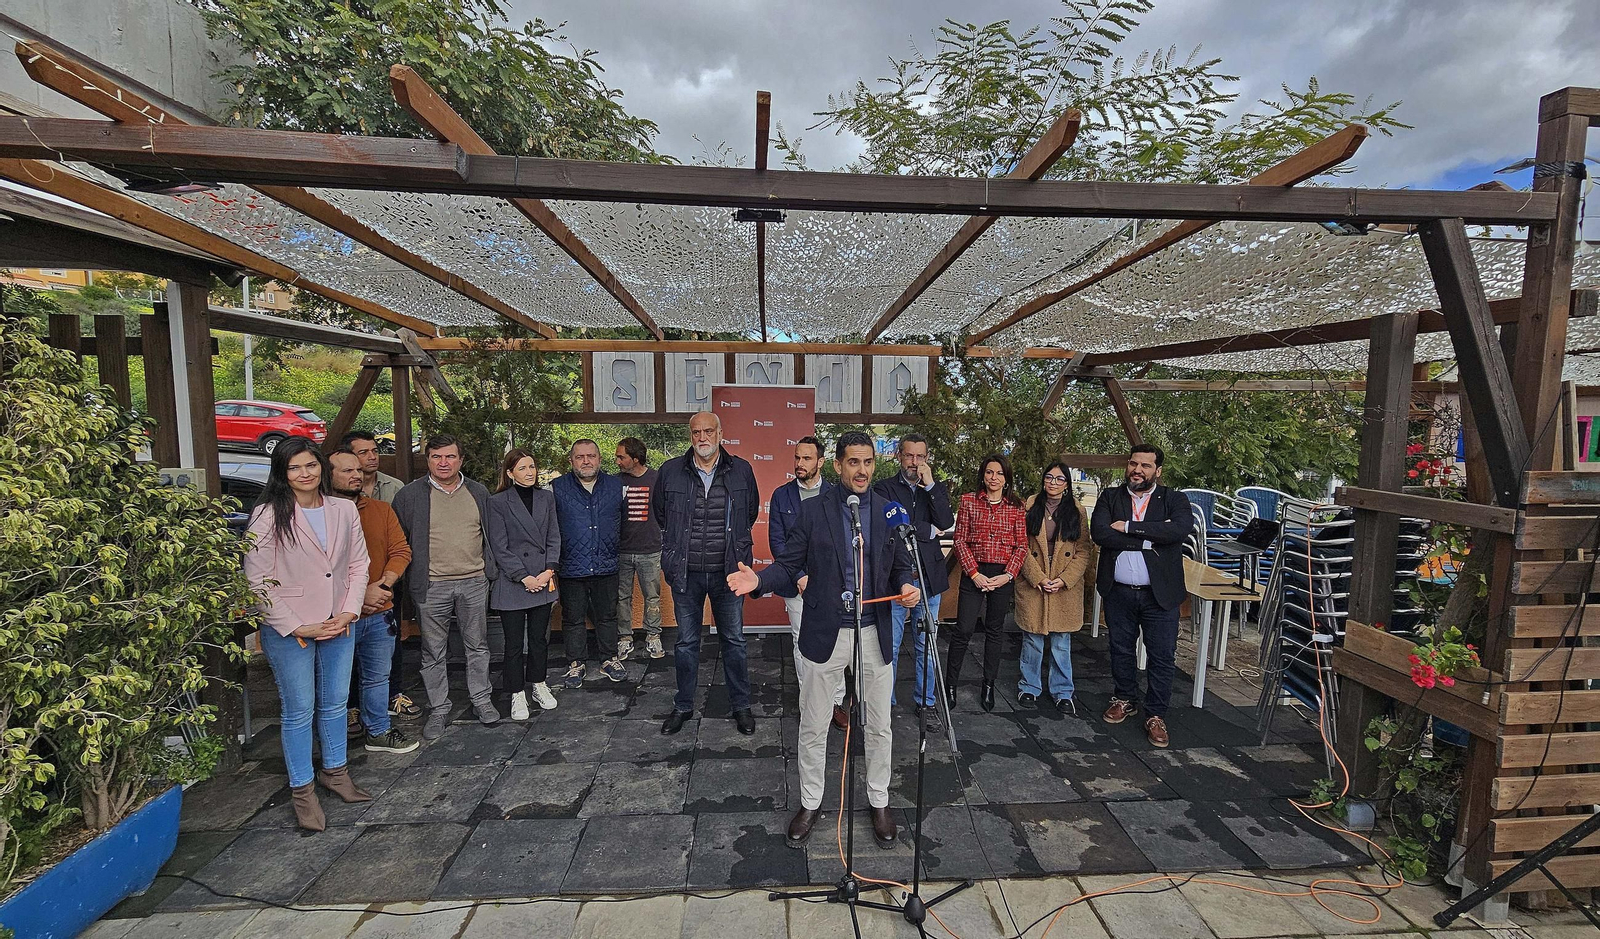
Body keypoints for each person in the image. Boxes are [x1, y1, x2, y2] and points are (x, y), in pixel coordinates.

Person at [729, 430, 921, 849]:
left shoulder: (890, 512)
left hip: (874, 630)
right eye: (854, 462)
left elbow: (902, 566)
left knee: (881, 725)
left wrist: (908, 585)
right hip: (825, 631)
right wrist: (759, 580)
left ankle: (879, 800)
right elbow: (788, 563)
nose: (862, 470)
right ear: (837, 466)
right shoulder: (814, 511)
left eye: (868, 462)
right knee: (814, 723)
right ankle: (811, 802)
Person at [243, 438, 372, 831]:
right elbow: (258, 579)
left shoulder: (343, 508)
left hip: (339, 621)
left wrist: (349, 610)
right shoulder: (268, 514)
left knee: (334, 704)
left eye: (311, 465)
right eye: (295, 467)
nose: (305, 473)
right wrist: (297, 624)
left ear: (322, 467)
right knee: (299, 710)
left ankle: (336, 772)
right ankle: (302, 790)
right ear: (283, 472)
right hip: (290, 627)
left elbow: (358, 564)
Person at [654, 411, 759, 736]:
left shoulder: (741, 470)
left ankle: (741, 706)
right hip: (686, 574)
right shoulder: (671, 471)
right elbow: (662, 515)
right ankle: (684, 706)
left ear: (720, 433)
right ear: (690, 436)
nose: (702, 437)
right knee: (686, 643)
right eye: (696, 432)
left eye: (708, 431)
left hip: (729, 573)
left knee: (734, 642)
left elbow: (750, 513)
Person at [391, 435, 500, 740]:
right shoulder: (410, 495)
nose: (443, 463)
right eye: (436, 457)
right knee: (432, 651)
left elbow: (489, 534)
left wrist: (489, 571)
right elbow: (399, 541)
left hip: (474, 581)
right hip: (431, 585)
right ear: (427, 460)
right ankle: (439, 708)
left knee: (477, 645)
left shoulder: (478, 492)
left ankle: (481, 699)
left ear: (460, 460)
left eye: (449, 457)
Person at [1091, 444, 1193, 748]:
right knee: (1120, 648)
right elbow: (1100, 533)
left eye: (1145, 466)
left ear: (1157, 471)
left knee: (1162, 656)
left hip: (1159, 595)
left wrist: (1130, 528)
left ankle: (1155, 714)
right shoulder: (1110, 497)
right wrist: (1151, 537)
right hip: (1118, 591)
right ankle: (1124, 698)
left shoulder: (1174, 499)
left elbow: (1178, 531)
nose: (1138, 470)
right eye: (1133, 464)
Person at [327, 447, 417, 754]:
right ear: (328, 476)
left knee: (378, 677)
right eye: (346, 470)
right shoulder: (319, 515)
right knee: (334, 683)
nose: (356, 475)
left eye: (358, 470)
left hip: (380, 610)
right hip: (336, 615)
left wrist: (384, 584)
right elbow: (320, 569)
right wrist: (358, 596)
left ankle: (379, 730)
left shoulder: (380, 510)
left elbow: (401, 551)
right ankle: (333, 746)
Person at [873, 432, 955, 731]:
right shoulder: (884, 487)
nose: (915, 462)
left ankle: (926, 703)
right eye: (909, 456)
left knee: (927, 645)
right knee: (890, 646)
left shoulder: (933, 489)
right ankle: (885, 703)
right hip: (896, 579)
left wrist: (931, 486)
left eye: (920, 457)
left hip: (929, 580)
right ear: (899, 456)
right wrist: (927, 529)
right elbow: (895, 523)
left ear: (927, 458)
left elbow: (945, 524)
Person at [768, 436, 845, 729]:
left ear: (821, 462)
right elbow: (778, 542)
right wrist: (799, 576)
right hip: (796, 585)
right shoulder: (781, 496)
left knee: (837, 643)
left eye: (807, 459)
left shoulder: (836, 495)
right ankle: (810, 703)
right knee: (803, 645)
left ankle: (836, 701)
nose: (800, 464)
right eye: (797, 458)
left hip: (832, 586)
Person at [947, 453, 1028, 713]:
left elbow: (1022, 545)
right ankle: (950, 685)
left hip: (1002, 574)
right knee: (964, 629)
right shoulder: (969, 501)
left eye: (1000, 473)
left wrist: (1008, 575)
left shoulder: (1016, 506)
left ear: (1007, 478)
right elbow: (960, 540)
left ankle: (989, 684)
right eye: (990, 472)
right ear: (983, 474)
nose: (994, 478)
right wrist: (974, 573)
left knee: (994, 631)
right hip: (975, 572)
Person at [486, 449, 562, 720]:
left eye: (532, 466)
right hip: (514, 583)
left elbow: (554, 536)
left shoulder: (547, 498)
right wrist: (523, 576)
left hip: (543, 579)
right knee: (514, 643)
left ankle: (539, 684)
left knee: (540, 640)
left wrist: (548, 570)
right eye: (522, 468)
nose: (529, 472)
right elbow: (499, 545)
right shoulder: (497, 502)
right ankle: (517, 693)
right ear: (509, 473)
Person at [1015, 461, 1092, 715]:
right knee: (1032, 639)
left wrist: (1064, 579)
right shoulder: (1029, 505)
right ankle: (1029, 686)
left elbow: (1083, 550)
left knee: (1061, 641)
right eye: (1049, 477)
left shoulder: (1077, 511)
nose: (1053, 483)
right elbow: (1021, 545)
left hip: (1063, 585)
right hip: (1035, 582)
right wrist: (1036, 577)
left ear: (1067, 484)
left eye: (1059, 479)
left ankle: (1062, 692)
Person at [551, 439, 627, 688]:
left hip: (606, 563)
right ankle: (576, 664)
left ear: (599, 459)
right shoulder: (556, 488)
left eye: (591, 456)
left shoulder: (617, 486)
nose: (586, 461)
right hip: (572, 566)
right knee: (573, 619)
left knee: (607, 616)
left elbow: (625, 523)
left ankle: (610, 659)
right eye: (580, 456)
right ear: (571, 460)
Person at [614, 437, 665, 660]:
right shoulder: (614, 482)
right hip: (621, 550)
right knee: (621, 597)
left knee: (652, 596)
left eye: (621, 457)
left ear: (635, 458)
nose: (617, 461)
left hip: (650, 549)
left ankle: (653, 637)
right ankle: (625, 638)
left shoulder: (657, 479)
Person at [341, 430, 404, 503]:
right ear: (348, 456)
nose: (372, 457)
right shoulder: (340, 487)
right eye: (363, 452)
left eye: (375, 451)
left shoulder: (395, 486)